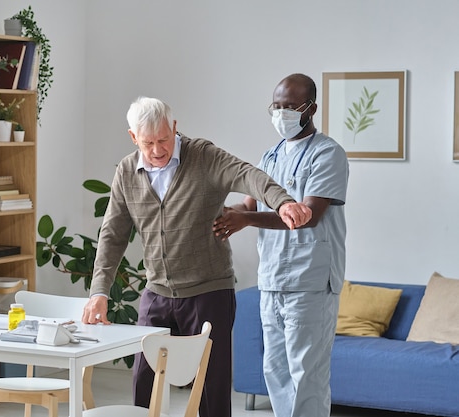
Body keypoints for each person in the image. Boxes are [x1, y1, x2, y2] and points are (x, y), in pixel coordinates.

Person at [81, 96, 312, 417]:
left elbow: (249, 175)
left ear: (174, 128)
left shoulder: (203, 156)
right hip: (156, 293)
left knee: (211, 388)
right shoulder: (126, 172)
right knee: (144, 382)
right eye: (148, 143)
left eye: (164, 139)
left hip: (209, 293)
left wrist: (283, 202)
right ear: (133, 138)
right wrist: (99, 291)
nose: (158, 149)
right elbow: (112, 236)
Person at [213, 73, 349, 417]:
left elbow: (309, 216)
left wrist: (245, 221)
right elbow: (249, 206)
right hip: (272, 278)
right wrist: (222, 212)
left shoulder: (328, 154)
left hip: (311, 280)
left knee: (307, 375)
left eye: (290, 107)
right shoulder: (269, 156)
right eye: (277, 106)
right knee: (276, 370)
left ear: (310, 108)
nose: (282, 113)